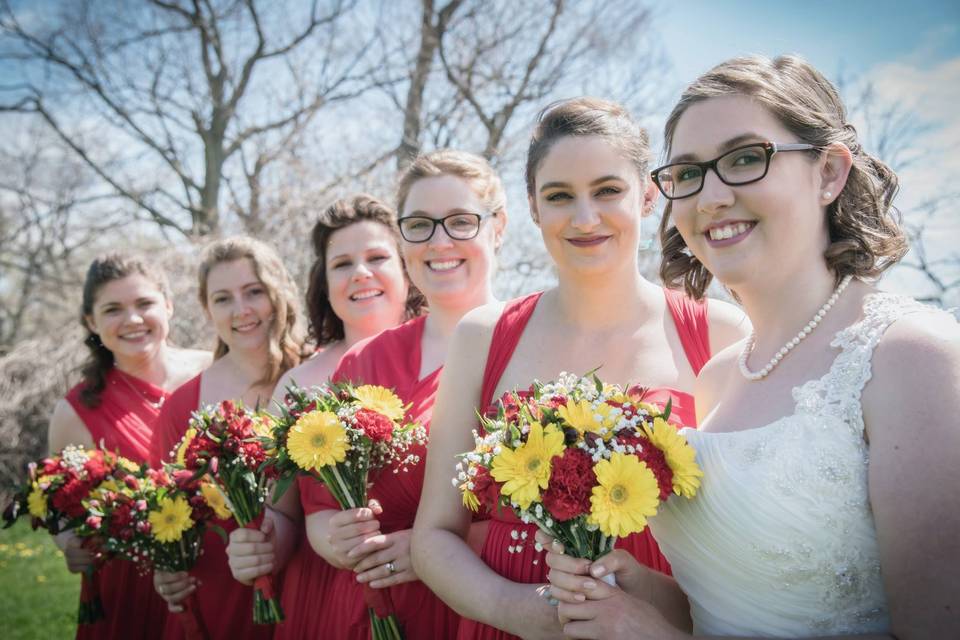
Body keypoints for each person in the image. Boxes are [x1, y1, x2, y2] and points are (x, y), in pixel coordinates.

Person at [542, 55, 960, 640]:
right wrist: (643, 591)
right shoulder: (717, 377)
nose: (709, 197)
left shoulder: (911, 357)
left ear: (829, 173)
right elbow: (735, 605)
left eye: (744, 159)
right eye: (687, 174)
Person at [411, 98, 749, 640]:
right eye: (560, 196)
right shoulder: (483, 336)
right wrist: (512, 609)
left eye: (608, 190)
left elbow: (746, 548)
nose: (585, 217)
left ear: (647, 194)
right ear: (533, 208)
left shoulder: (721, 334)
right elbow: (433, 536)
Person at [224, 195, 419, 639]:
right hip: (324, 598)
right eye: (342, 263)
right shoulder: (298, 382)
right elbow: (283, 511)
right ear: (325, 283)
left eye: (377, 257)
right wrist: (260, 545)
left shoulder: (451, 357)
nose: (361, 273)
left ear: (407, 269)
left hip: (429, 589)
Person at [150, 236, 308, 639]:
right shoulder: (182, 406)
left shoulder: (317, 376)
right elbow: (166, 508)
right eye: (223, 299)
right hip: (217, 595)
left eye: (254, 292)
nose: (241, 310)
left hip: (309, 583)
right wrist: (166, 567)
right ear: (207, 309)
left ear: (279, 293)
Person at [49, 252, 210, 640]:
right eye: (113, 309)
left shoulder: (211, 371)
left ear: (168, 306)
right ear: (91, 321)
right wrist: (69, 543)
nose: (133, 319)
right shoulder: (76, 410)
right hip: (129, 587)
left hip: (215, 574)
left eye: (144, 304)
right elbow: (56, 505)